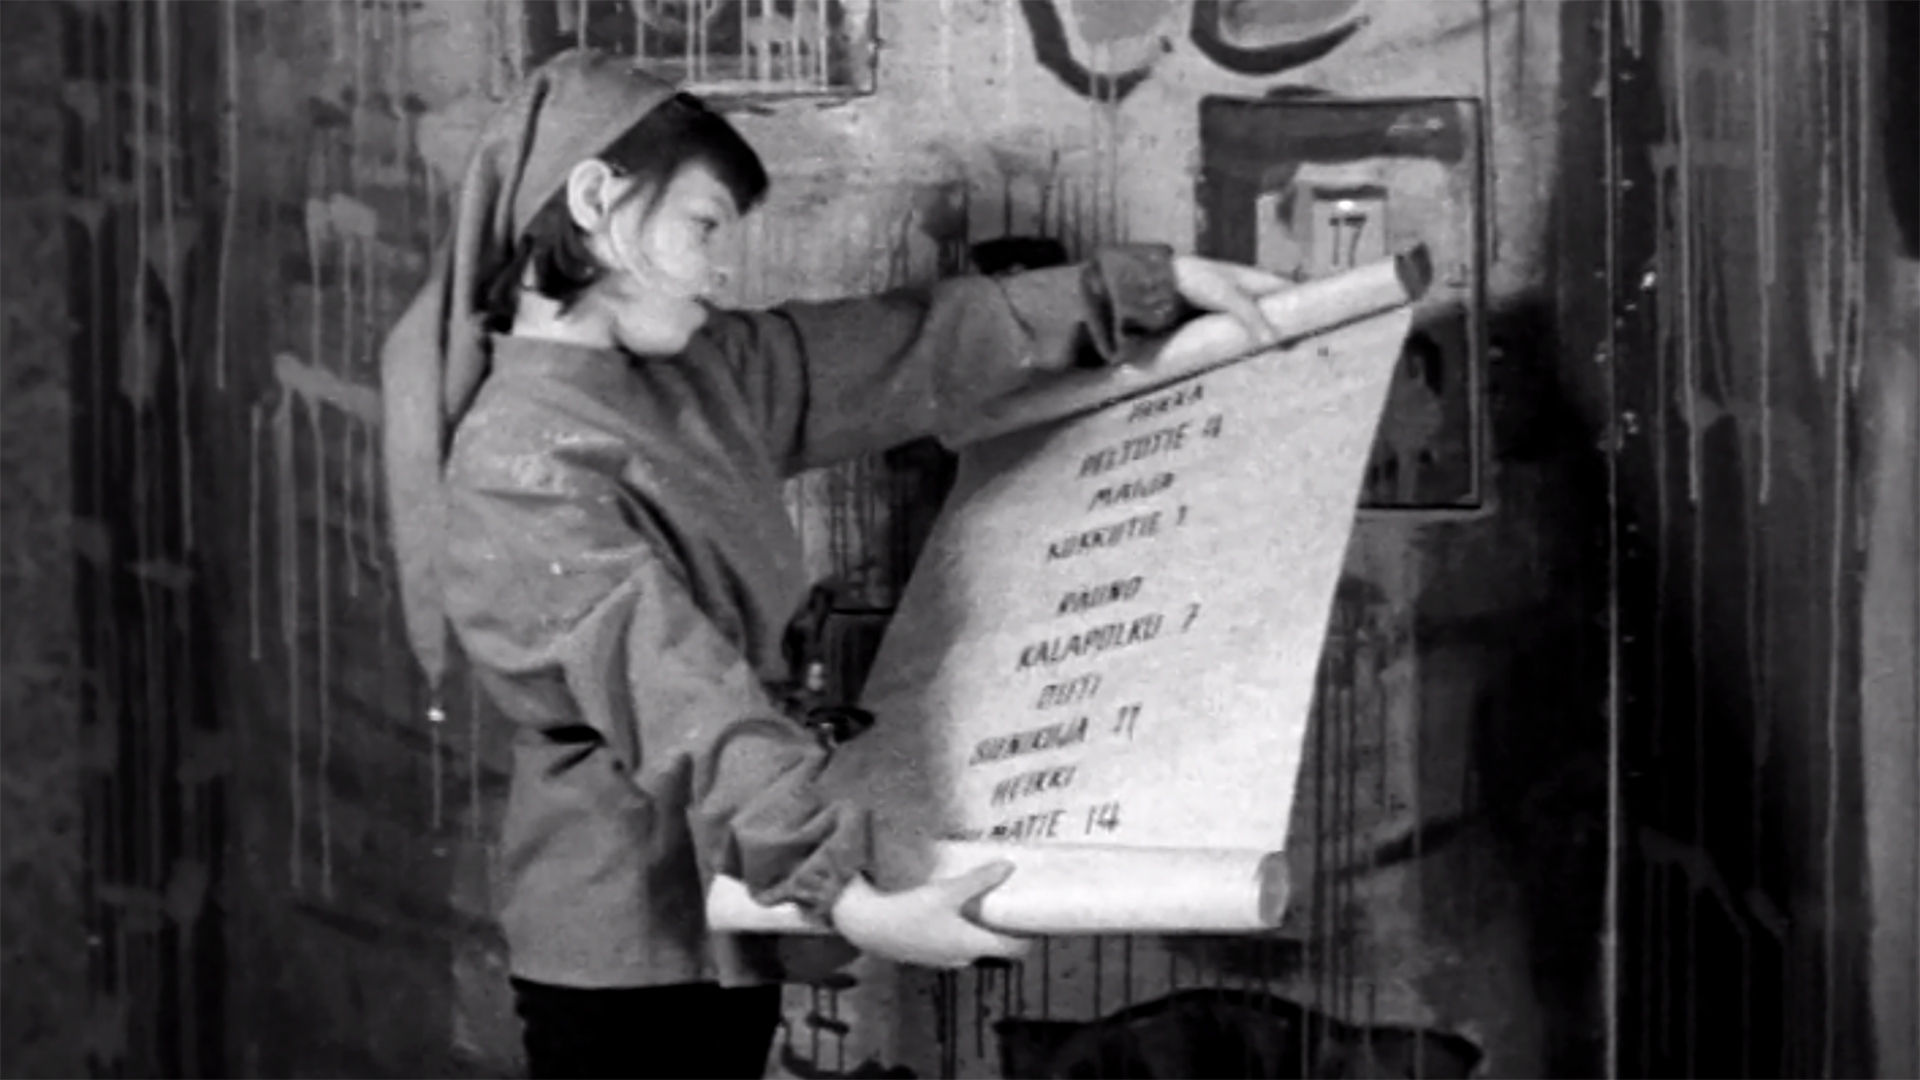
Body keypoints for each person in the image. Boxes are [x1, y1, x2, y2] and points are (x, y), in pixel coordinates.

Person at [379, 48, 1291, 1080]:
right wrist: (843, 891)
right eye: (704, 226)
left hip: (742, 898)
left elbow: (911, 344)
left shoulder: (703, 370)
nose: (719, 268)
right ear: (596, 201)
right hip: (625, 936)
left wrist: (1143, 290)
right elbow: (677, 693)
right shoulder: (519, 465)